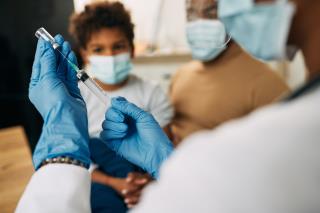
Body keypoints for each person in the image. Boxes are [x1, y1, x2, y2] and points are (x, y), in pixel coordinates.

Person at [16, 0, 320, 212]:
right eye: (192, 10)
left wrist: (61, 152)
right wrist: (166, 163)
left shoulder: (284, 136)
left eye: (212, 9)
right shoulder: (185, 77)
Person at [68, 1, 172, 211]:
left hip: (141, 170)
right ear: (85, 54)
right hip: (97, 173)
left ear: (132, 49)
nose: (110, 56)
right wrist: (115, 183)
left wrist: (144, 183)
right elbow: (74, 157)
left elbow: (162, 151)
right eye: (98, 49)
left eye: (118, 46)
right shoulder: (76, 95)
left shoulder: (151, 92)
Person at [170, 0, 289, 145]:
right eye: (191, 13)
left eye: (211, 12)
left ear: (231, 16)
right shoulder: (181, 74)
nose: (200, 22)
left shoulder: (265, 84)